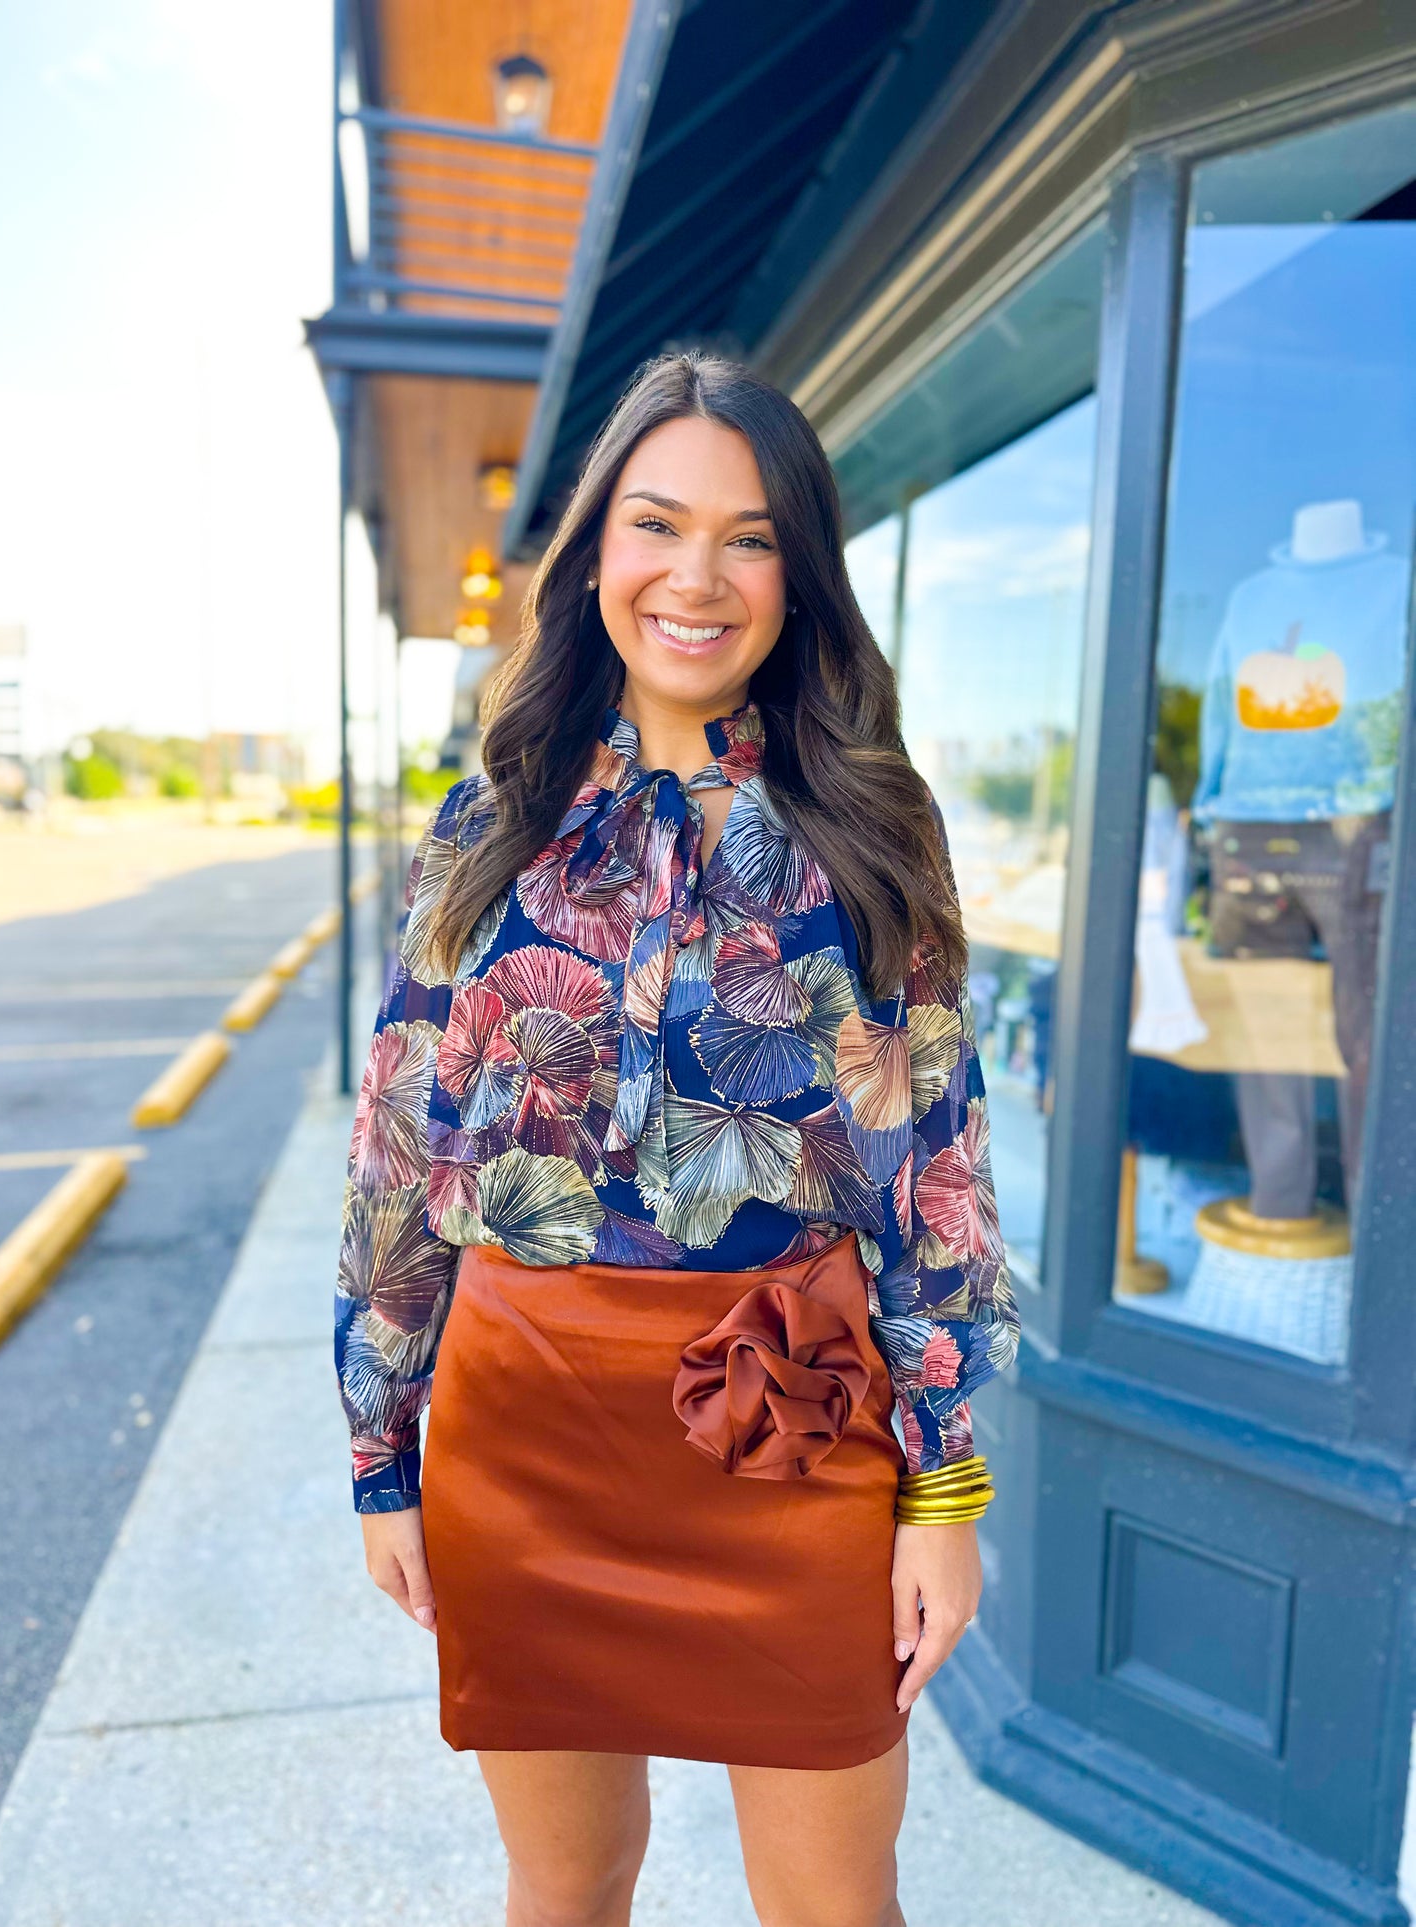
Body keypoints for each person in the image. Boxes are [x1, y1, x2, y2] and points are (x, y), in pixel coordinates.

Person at [335, 352, 1020, 1927]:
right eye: (656, 524)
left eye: (752, 535)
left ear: (800, 577)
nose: (696, 577)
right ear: (592, 555)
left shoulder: (867, 829)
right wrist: (382, 1455)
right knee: (566, 1882)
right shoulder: (485, 822)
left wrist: (943, 1496)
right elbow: (400, 1153)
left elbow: (936, 1177)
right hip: (528, 1432)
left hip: (791, 1428)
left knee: (835, 1902)